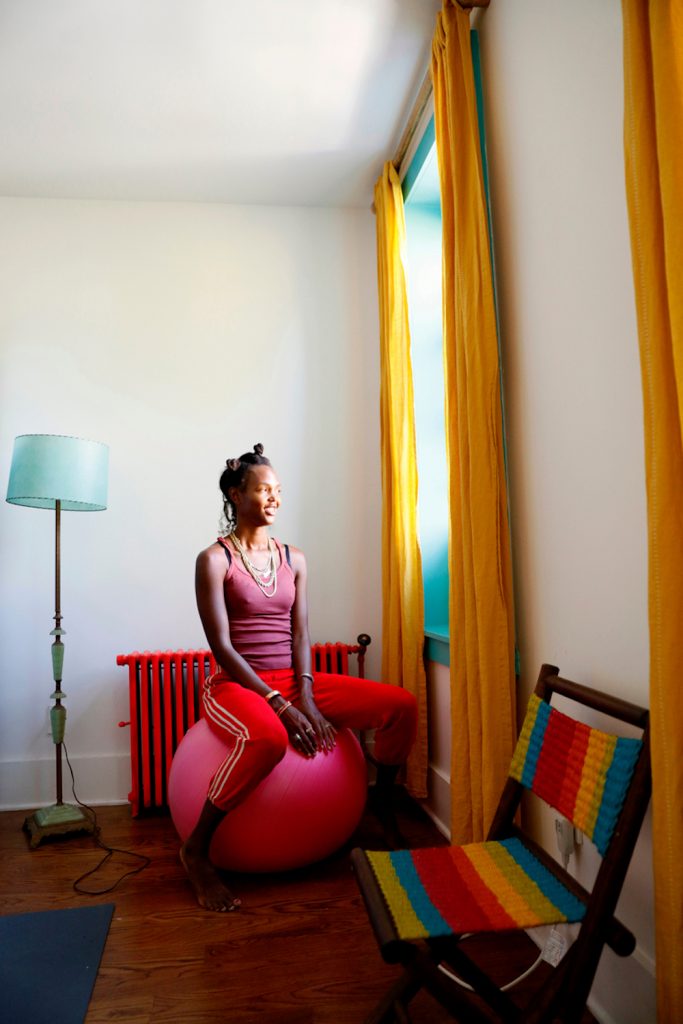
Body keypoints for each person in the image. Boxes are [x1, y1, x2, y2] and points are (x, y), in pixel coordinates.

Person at [181, 443, 418, 912]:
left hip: (292, 680)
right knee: (268, 740)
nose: (274, 499)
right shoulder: (213, 560)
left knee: (401, 705)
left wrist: (304, 692)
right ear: (234, 493)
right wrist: (278, 702)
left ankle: (384, 804)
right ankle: (195, 850)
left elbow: (301, 631)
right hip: (234, 684)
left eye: (278, 491)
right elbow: (222, 649)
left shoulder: (295, 558)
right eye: (263, 490)